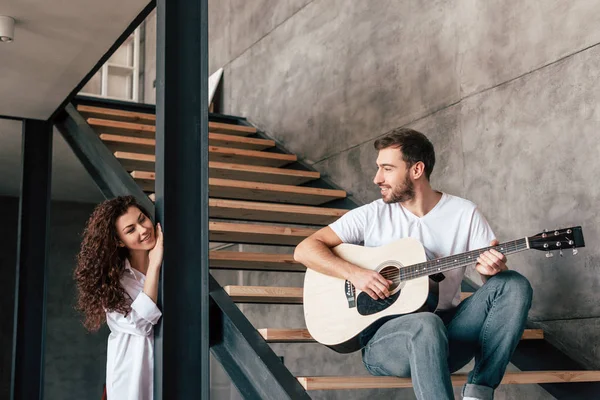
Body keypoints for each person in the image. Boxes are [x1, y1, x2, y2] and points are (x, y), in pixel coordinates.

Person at [294, 128, 533, 400]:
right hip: (387, 344)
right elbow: (305, 249)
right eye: (378, 168)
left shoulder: (464, 213)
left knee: (513, 284)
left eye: (387, 169)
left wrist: (491, 272)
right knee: (424, 323)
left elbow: (496, 296)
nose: (377, 178)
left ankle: (479, 392)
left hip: (447, 337)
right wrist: (357, 275)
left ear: (416, 169)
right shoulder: (372, 215)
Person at [74, 195, 163, 400]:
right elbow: (142, 324)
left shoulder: (170, 267)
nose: (143, 230)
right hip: (131, 374)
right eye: (130, 230)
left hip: (167, 365)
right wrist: (155, 264)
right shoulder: (112, 283)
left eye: (142, 219)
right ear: (119, 241)